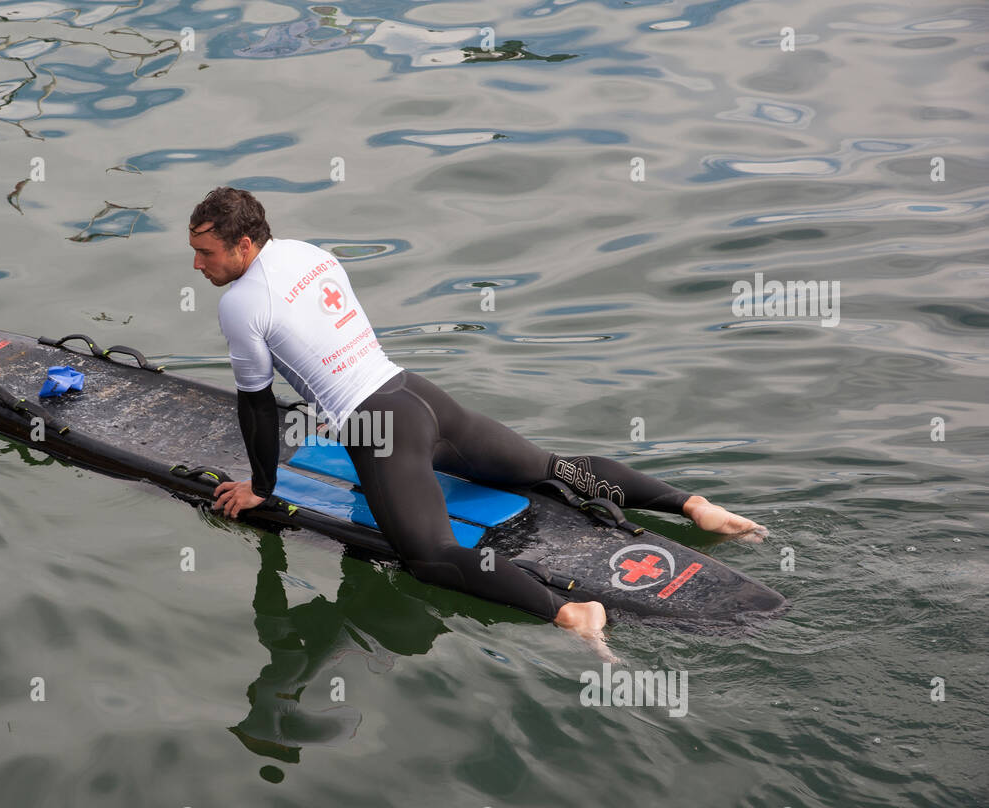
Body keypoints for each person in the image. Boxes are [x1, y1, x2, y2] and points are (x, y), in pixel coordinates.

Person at [189, 186, 765, 660]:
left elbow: (258, 406)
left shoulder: (241, 304)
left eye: (207, 254)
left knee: (430, 556)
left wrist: (260, 487)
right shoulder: (308, 253)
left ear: (243, 245)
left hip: (377, 427)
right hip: (419, 396)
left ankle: (572, 613)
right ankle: (693, 506)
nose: (198, 265)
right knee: (548, 467)